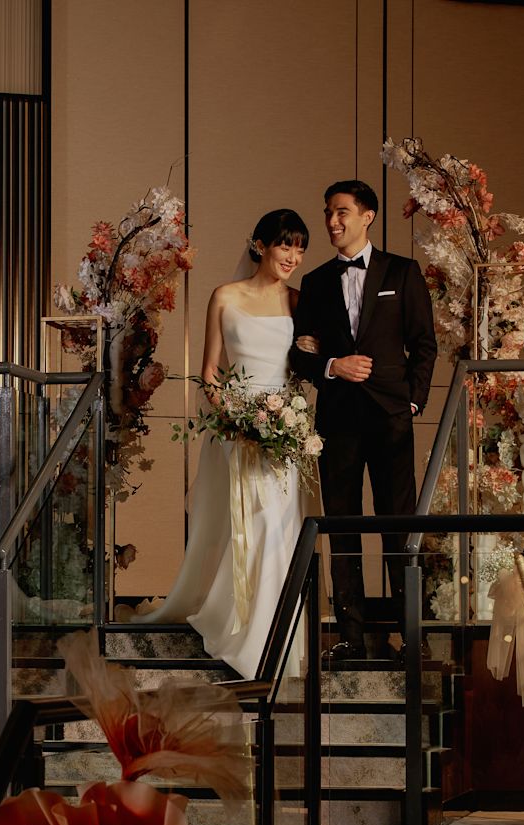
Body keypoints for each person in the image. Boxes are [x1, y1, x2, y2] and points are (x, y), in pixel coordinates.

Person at [133, 209, 310, 681]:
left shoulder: (300, 301)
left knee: (280, 529)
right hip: (237, 428)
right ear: (260, 246)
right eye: (284, 246)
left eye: (299, 248)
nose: (292, 256)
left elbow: (307, 367)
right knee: (245, 526)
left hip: (283, 432)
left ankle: (274, 643)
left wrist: (282, 420)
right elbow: (210, 370)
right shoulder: (224, 296)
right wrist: (233, 414)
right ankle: (240, 627)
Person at [289, 180, 437, 663]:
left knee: (398, 526)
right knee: (343, 525)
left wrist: (413, 402)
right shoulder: (314, 283)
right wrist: (334, 365)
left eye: (342, 212)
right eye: (329, 213)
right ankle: (351, 635)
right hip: (338, 420)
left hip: (392, 417)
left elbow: (424, 344)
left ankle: (409, 634)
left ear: (367, 215)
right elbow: (301, 354)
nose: (333, 222)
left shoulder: (403, 271)